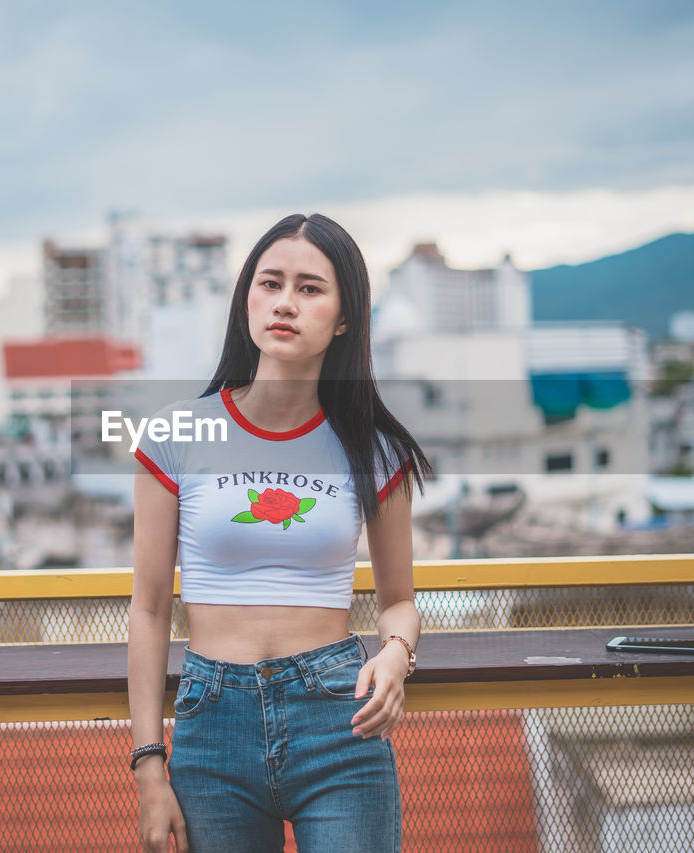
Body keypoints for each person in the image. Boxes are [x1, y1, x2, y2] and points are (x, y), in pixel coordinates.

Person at [127, 213, 431, 852]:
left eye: (311, 288)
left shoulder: (373, 450)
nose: (285, 303)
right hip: (211, 722)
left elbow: (399, 598)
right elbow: (149, 608)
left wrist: (397, 656)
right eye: (270, 283)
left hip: (338, 716)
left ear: (344, 319)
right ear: (247, 301)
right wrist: (150, 766)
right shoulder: (177, 434)